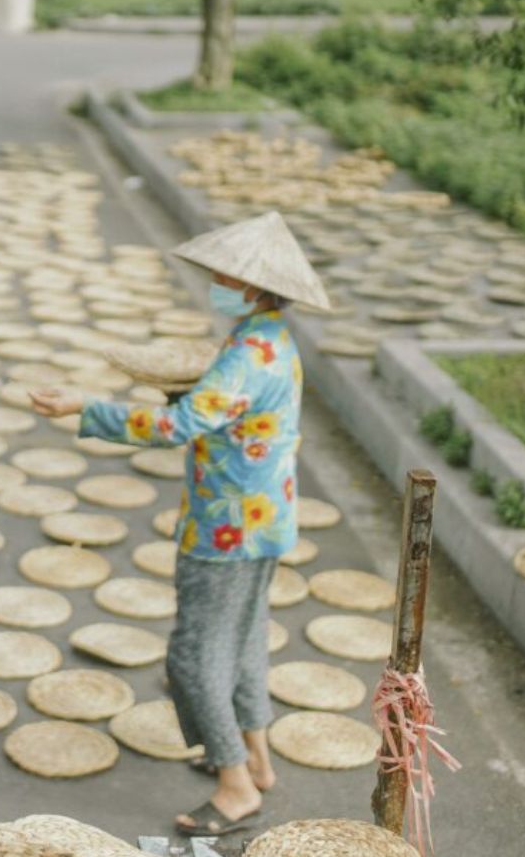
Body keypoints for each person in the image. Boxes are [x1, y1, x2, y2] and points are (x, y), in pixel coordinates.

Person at [30, 211, 331, 839]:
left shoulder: (246, 355)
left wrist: (87, 408)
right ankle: (257, 759)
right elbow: (220, 415)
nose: (215, 281)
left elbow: (180, 426)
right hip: (264, 518)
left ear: (252, 285)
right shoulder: (271, 336)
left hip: (226, 529)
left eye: (224, 274)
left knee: (193, 658)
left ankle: (235, 786)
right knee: (243, 643)